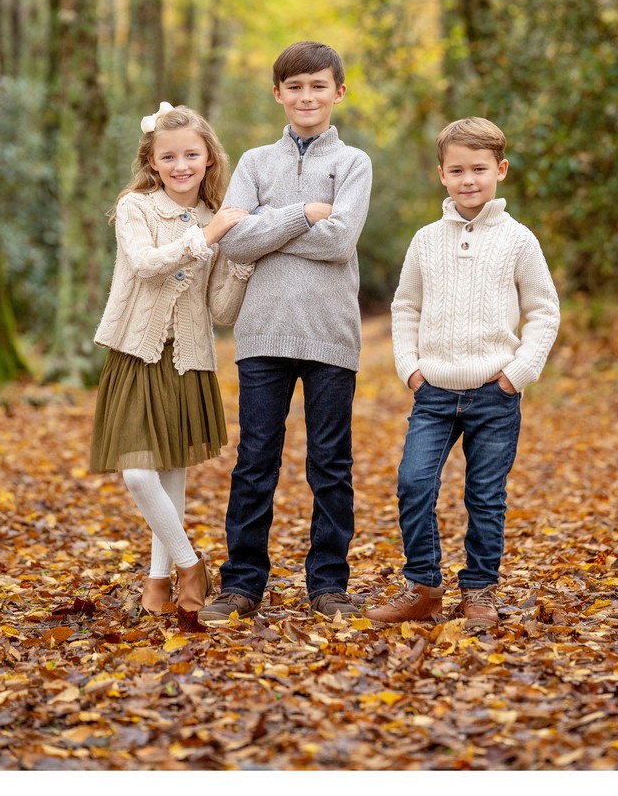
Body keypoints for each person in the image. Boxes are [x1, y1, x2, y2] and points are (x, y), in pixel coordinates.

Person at [198, 41, 373, 624]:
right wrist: (306, 213)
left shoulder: (353, 164)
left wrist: (269, 223)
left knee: (330, 462)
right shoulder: (252, 162)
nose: (307, 96)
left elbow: (341, 241)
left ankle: (328, 585)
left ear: (338, 92)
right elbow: (234, 238)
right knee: (255, 461)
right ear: (278, 93)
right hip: (262, 335)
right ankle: (242, 583)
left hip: (330, 335)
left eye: (318, 86)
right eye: (295, 87)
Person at [366, 116, 560, 628]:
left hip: (495, 392)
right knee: (413, 482)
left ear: (501, 169)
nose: (468, 179)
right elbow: (405, 306)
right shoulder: (427, 239)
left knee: (485, 496)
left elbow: (544, 310)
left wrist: (517, 373)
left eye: (479, 168)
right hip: (433, 391)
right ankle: (425, 588)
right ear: (442, 175)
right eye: (457, 170)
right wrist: (410, 368)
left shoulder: (519, 240)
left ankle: (479, 590)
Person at [89, 102, 253, 631]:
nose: (181, 164)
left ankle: (160, 581)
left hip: (189, 359)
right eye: (169, 156)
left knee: (171, 472)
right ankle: (191, 565)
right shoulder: (137, 208)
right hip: (137, 352)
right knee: (139, 472)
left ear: (208, 158)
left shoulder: (219, 218)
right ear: (153, 162)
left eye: (191, 154)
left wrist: (241, 262)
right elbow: (145, 265)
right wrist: (205, 239)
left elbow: (222, 311)